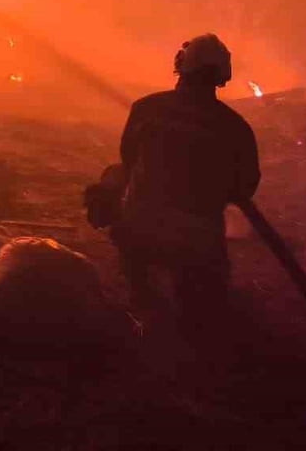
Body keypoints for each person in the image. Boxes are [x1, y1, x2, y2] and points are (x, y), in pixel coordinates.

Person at [110, 33, 260, 346]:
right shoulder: (235, 127)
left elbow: (129, 158)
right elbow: (244, 187)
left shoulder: (145, 108)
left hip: (141, 232)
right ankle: (194, 305)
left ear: (181, 66)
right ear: (223, 76)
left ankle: (137, 278)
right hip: (197, 245)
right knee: (205, 316)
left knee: (113, 177)